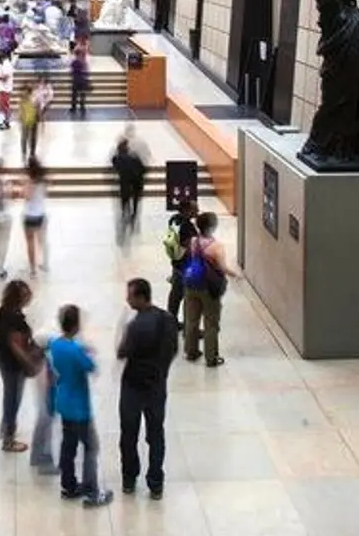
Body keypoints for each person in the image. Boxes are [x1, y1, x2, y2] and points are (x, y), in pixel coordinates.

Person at [117, 278, 179, 499]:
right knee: (156, 434)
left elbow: (121, 353)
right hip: (156, 386)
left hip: (133, 386)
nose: (127, 299)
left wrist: (124, 334)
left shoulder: (134, 326)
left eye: (130, 295)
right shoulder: (167, 320)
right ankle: (155, 483)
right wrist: (161, 372)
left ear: (141, 297)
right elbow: (173, 350)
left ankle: (129, 478)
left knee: (129, 434)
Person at [47, 304, 113, 507]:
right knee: (91, 446)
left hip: (63, 401)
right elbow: (90, 367)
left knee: (68, 446)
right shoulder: (76, 350)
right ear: (76, 325)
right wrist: (89, 353)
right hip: (79, 407)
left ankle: (68, 485)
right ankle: (92, 491)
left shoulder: (55, 344)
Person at [181, 212, 240, 367]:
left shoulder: (193, 241)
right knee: (211, 322)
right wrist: (235, 274)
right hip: (209, 288)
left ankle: (191, 351)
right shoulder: (216, 247)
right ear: (212, 227)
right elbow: (222, 268)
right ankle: (211, 357)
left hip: (191, 284)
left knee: (192, 319)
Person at [0, 279, 42, 453]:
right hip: (13, 365)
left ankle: (5, 427)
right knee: (13, 399)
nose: (30, 296)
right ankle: (9, 438)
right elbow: (16, 346)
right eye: (26, 294)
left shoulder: (4, 311)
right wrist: (30, 364)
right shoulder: (15, 319)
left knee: (9, 395)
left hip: (2, 359)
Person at [162, 201, 199, 318]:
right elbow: (189, 247)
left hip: (176, 263)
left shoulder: (174, 220)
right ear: (187, 210)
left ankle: (171, 321)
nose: (197, 211)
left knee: (175, 295)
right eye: (195, 209)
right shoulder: (187, 226)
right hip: (186, 266)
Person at [112, 131, 148, 246]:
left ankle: (125, 214)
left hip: (125, 184)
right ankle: (134, 215)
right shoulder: (134, 157)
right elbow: (143, 169)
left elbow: (116, 167)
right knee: (135, 201)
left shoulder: (117, 158)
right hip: (136, 183)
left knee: (125, 201)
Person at [22, 154, 50, 277]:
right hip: (41, 213)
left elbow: (27, 197)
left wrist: (24, 187)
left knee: (30, 242)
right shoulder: (44, 180)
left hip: (30, 215)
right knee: (42, 240)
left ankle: (33, 269)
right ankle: (45, 263)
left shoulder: (29, 181)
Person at [23, 75, 54, 161]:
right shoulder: (36, 89)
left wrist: (45, 102)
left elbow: (50, 95)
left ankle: (32, 151)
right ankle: (30, 151)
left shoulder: (48, 87)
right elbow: (35, 98)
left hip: (41, 105)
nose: (42, 81)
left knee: (33, 134)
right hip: (34, 110)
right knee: (30, 134)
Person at [68, 38, 91, 117]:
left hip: (76, 80)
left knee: (75, 94)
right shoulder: (84, 62)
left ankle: (74, 107)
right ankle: (82, 107)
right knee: (81, 94)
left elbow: (71, 70)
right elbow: (86, 71)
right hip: (82, 79)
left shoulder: (74, 61)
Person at [0, 52, 16, 130]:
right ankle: (6, 121)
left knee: (5, 106)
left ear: (1, 58)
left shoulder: (7, 65)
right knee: (4, 106)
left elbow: (5, 77)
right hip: (3, 88)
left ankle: (7, 122)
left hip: (5, 89)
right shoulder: (4, 65)